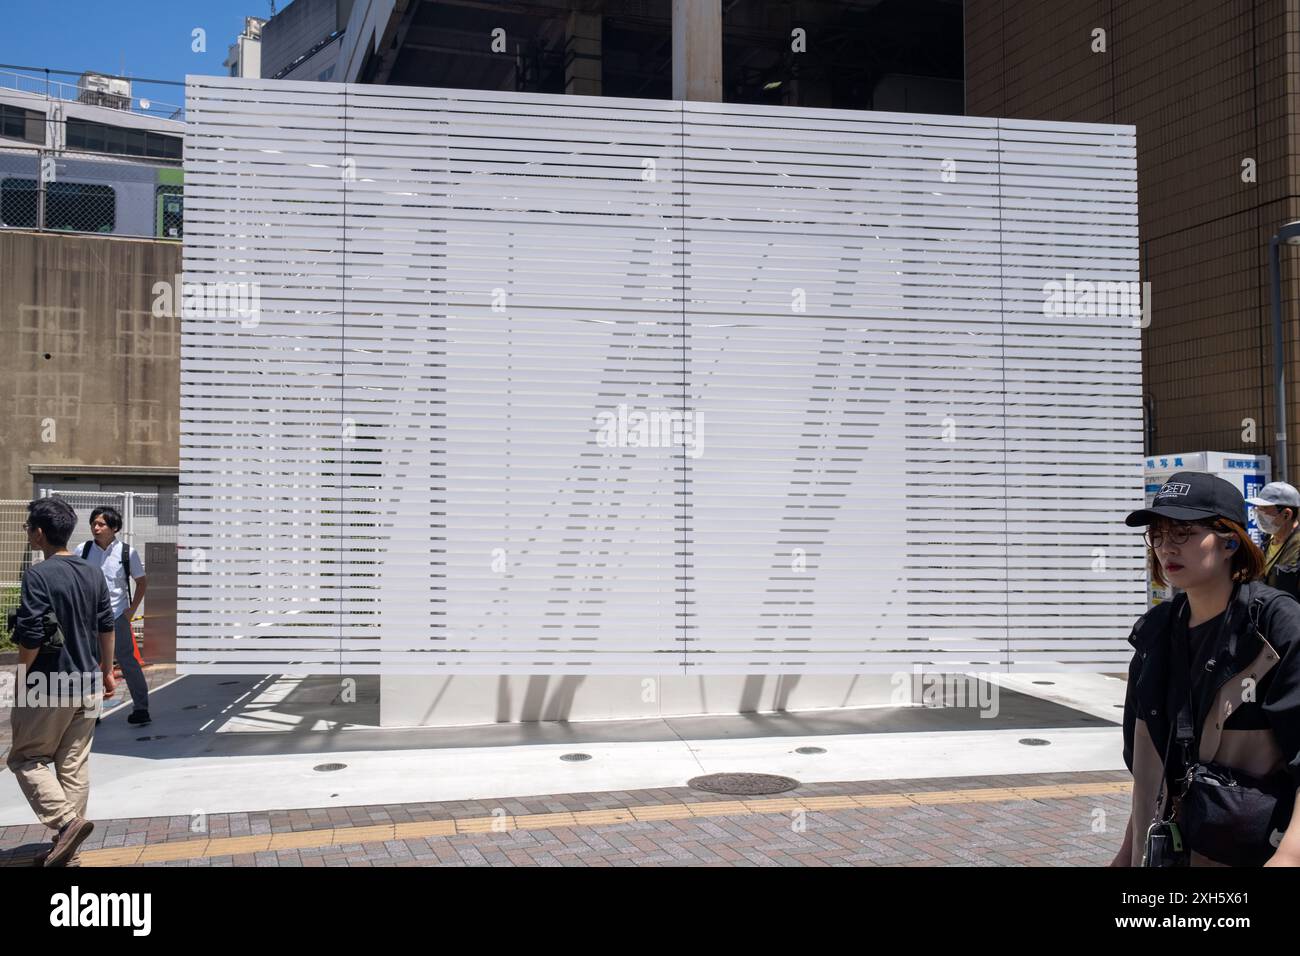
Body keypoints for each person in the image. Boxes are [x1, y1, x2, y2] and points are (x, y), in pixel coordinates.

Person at [1112, 471, 1300, 866]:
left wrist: (1290, 855)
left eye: (1183, 532)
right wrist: (1128, 853)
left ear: (1231, 539)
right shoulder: (1154, 633)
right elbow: (1152, 775)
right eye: (1159, 534)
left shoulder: (1276, 628)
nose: (1166, 547)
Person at [6, 497, 116, 867]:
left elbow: (32, 634)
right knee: (73, 765)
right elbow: (106, 625)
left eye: (28, 529)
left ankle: (67, 823)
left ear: (39, 533)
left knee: (26, 758)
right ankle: (68, 851)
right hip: (88, 682)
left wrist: (21, 672)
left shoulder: (39, 574)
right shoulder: (92, 571)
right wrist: (106, 670)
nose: (29, 535)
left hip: (48, 683)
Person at [79, 506, 150, 725]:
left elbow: (141, 582)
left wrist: (131, 611)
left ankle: (141, 709)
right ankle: (93, 713)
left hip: (117, 615)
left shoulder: (127, 552)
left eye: (101, 524)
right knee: (90, 664)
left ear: (114, 528)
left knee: (128, 662)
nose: (96, 527)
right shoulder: (82, 550)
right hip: (88, 618)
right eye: (93, 523)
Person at [1247, 481, 1300, 599]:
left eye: (1264, 508)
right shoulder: (1268, 539)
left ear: (1286, 514)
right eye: (1258, 508)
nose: (1258, 512)